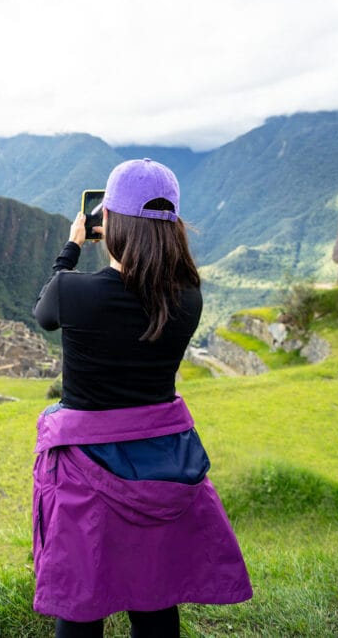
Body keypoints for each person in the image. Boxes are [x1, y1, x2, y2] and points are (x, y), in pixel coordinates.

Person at [31, 159, 252, 638]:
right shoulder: (188, 298)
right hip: (163, 467)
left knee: (82, 605)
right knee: (155, 597)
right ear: (173, 228)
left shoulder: (74, 293)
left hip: (85, 471)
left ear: (107, 222)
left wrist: (72, 246)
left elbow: (44, 311)